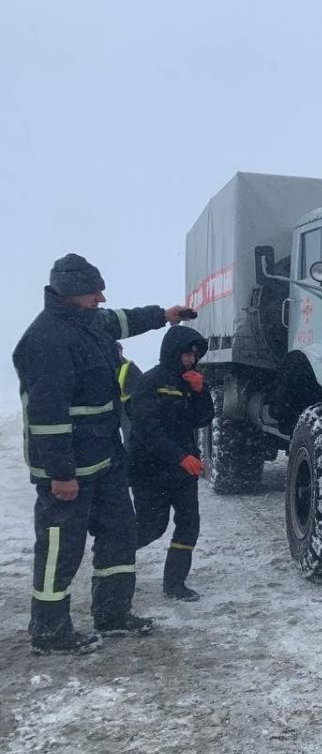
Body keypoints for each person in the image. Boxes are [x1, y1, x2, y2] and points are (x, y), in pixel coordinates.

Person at [12, 253, 191, 655]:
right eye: (95, 290)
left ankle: (112, 615)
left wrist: (165, 315)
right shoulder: (46, 340)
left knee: (119, 535)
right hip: (67, 471)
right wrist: (60, 473)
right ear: (73, 293)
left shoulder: (90, 321)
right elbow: (47, 416)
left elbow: (123, 320)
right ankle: (50, 631)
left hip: (105, 461)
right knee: (62, 547)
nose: (102, 296)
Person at [128, 326, 214, 601]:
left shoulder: (190, 384)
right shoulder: (149, 383)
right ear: (172, 352)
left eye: (194, 355)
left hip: (183, 471)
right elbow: (147, 430)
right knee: (152, 526)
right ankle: (113, 556)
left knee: (189, 523)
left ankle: (175, 583)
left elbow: (203, 419)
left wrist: (201, 392)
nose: (190, 360)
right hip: (150, 470)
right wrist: (179, 457)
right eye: (187, 354)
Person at [116, 343, 143, 446]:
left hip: (127, 405)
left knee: (129, 433)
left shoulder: (129, 366)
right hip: (113, 405)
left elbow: (141, 384)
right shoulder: (108, 365)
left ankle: (130, 455)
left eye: (119, 350)